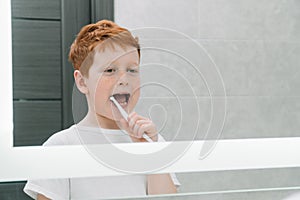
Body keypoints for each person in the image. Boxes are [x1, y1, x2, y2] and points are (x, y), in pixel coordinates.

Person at [23, 19, 181, 200]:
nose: (124, 79)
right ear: (82, 82)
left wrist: (151, 153)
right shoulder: (60, 146)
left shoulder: (152, 140)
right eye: (110, 70)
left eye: (132, 70)